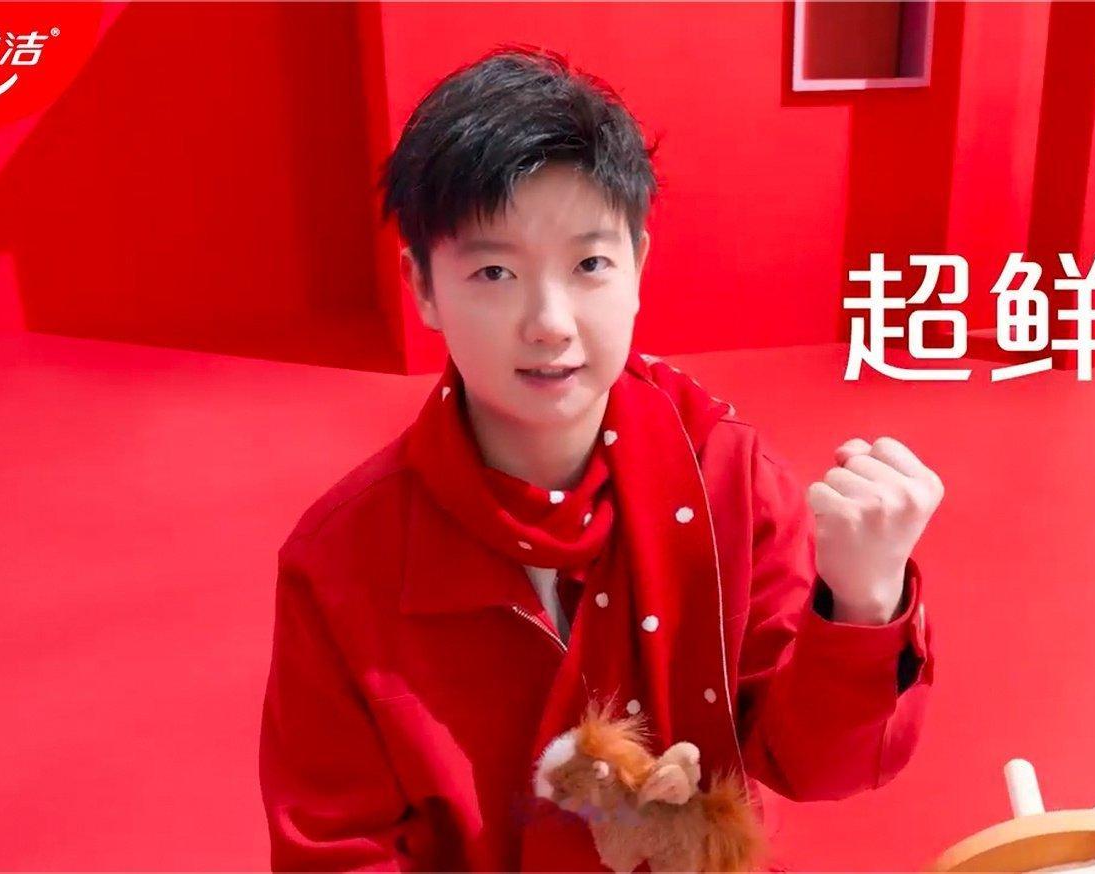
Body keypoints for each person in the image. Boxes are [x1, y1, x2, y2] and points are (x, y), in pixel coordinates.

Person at [259, 45, 940, 872]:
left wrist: (863, 601)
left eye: (589, 264)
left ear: (639, 266)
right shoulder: (343, 561)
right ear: (423, 287)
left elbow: (816, 764)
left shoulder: (727, 477)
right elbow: (338, 849)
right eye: (494, 272)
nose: (550, 322)